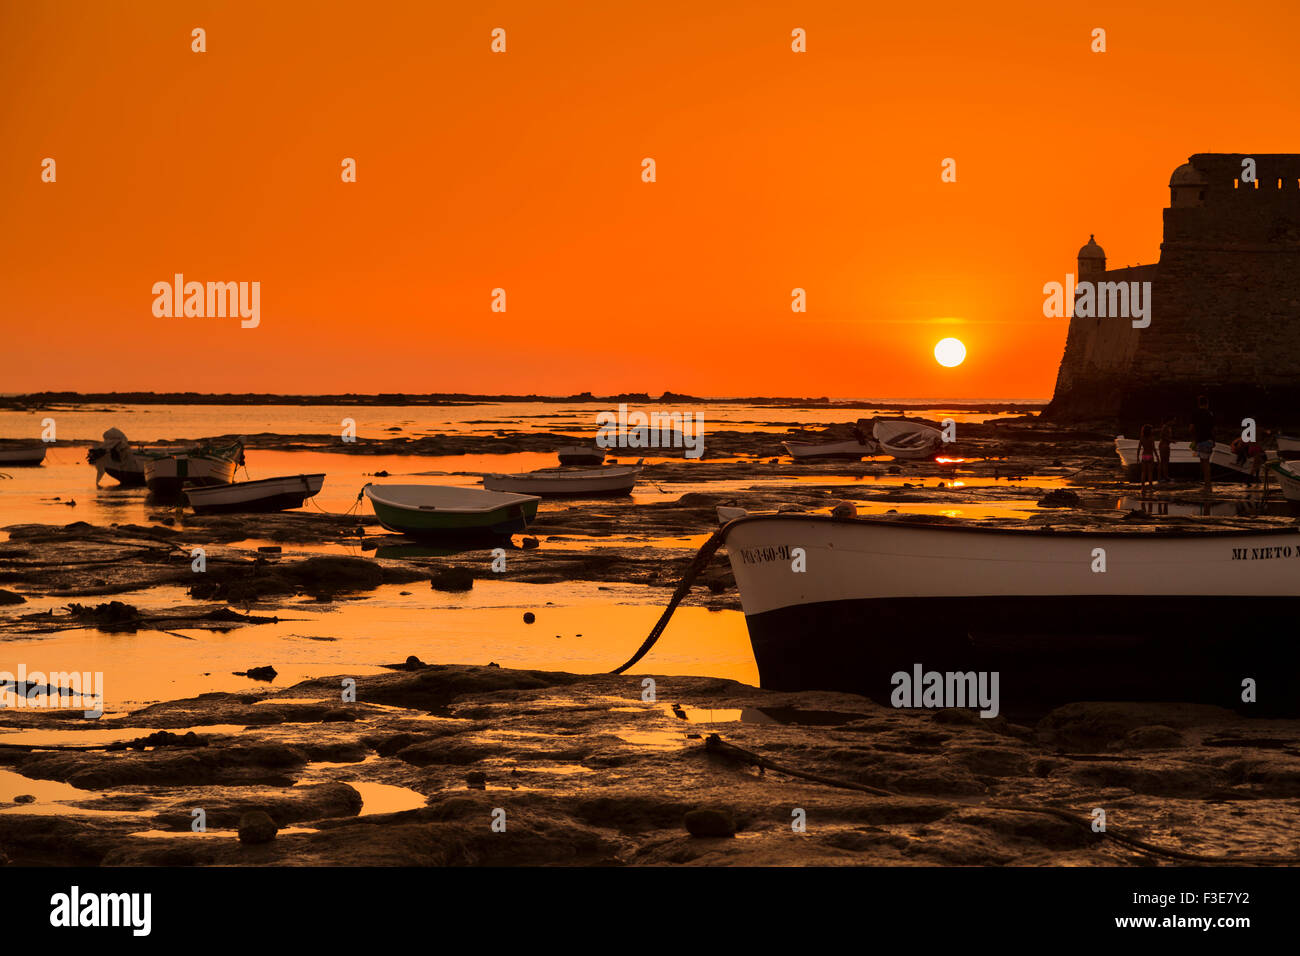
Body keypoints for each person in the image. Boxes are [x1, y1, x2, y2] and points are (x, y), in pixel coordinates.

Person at [1191, 395, 1215, 493]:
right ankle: (1207, 485)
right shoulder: (1210, 414)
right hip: (1209, 440)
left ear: (1199, 403)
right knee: (1206, 462)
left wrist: (1194, 438)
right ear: (1207, 403)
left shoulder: (1195, 413)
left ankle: (1207, 486)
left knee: (1204, 463)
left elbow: (1191, 428)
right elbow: (1213, 429)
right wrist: (1214, 440)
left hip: (1200, 440)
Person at [1138, 424, 1157, 497]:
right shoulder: (1151, 438)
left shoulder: (1142, 438)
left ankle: (1142, 487)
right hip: (1150, 455)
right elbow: (1153, 448)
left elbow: (1139, 448)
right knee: (1150, 472)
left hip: (1144, 455)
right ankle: (1150, 487)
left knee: (1143, 472)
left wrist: (1137, 457)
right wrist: (1157, 456)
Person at [1157, 418, 1173, 483]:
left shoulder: (1168, 427)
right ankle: (1160, 477)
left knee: (1166, 461)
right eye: (1173, 420)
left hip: (1166, 445)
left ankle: (1166, 476)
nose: (1173, 422)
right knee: (1163, 461)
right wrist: (1171, 440)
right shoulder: (1165, 427)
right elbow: (1162, 436)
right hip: (1163, 445)